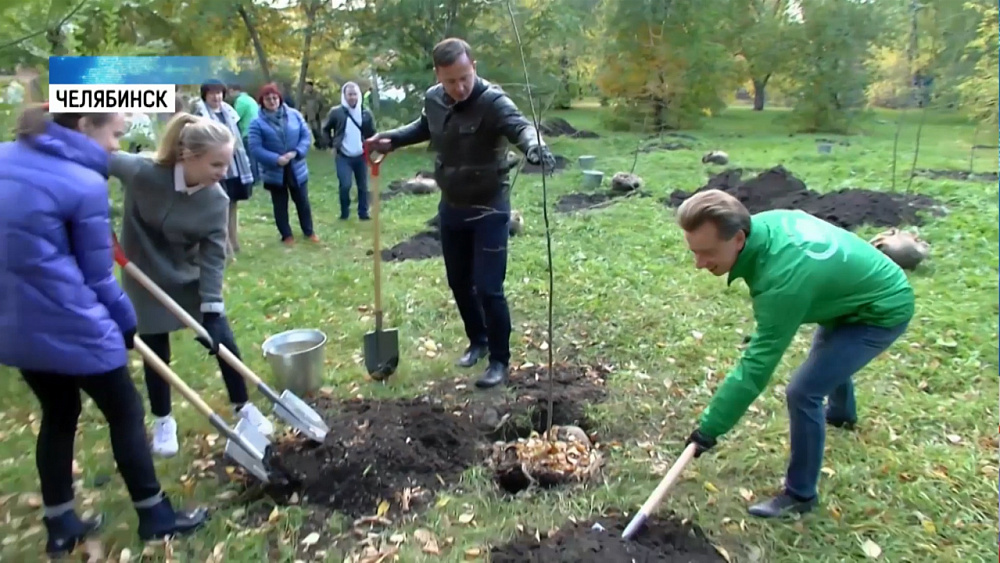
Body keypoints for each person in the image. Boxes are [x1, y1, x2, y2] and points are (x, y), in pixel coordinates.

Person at [0, 105, 208, 555]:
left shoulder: (3, 159)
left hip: (15, 324)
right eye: (113, 134)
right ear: (83, 125)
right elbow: (98, 279)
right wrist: (128, 322)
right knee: (126, 412)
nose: (116, 146)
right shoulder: (82, 183)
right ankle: (155, 515)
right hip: (72, 322)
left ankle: (61, 525)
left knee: (58, 415)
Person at [677, 190, 914, 518]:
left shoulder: (783, 281)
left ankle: (801, 495)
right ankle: (843, 414)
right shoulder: (767, 225)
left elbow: (757, 366)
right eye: (694, 251)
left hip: (880, 309)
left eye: (707, 253)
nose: (698, 264)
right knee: (828, 355)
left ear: (739, 238)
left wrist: (709, 429)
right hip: (846, 296)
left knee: (804, 392)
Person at [367, 37, 556, 388]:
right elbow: (425, 127)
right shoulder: (434, 99)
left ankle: (499, 359)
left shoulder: (493, 101)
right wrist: (391, 139)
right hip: (451, 206)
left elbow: (520, 126)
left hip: (489, 207)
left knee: (488, 288)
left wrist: (535, 146)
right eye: (450, 81)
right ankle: (478, 341)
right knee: (458, 282)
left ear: (474, 67)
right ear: (438, 75)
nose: (459, 87)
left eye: (465, 77)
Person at [108, 113, 275, 458]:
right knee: (156, 349)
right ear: (188, 156)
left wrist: (211, 303)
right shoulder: (142, 171)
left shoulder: (216, 200)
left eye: (226, 164)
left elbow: (214, 256)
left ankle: (243, 405)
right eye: (216, 164)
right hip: (144, 273)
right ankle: (163, 419)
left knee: (221, 340)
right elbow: (93, 158)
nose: (224, 172)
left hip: (187, 275)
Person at [190, 80, 256, 258]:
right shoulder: (199, 114)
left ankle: (233, 241)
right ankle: (220, 245)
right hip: (212, 164)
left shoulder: (229, 111)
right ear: (205, 95)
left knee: (232, 203)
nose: (216, 97)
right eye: (212, 93)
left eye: (219, 93)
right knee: (217, 204)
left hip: (233, 164)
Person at [248, 82, 318, 246]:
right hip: (275, 170)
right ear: (262, 102)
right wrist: (275, 159)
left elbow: (305, 136)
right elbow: (255, 148)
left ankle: (309, 232)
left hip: (296, 167)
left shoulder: (294, 115)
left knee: (303, 202)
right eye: (268, 99)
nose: (272, 101)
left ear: (280, 99)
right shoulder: (257, 123)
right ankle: (286, 235)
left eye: (274, 98)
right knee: (280, 205)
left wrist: (296, 152)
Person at [322, 81, 376, 221]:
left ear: (359, 95)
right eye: (349, 94)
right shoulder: (336, 112)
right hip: (343, 156)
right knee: (345, 185)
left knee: (363, 186)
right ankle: (344, 212)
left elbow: (372, 133)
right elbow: (326, 129)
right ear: (344, 96)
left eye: (354, 94)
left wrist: (372, 148)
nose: (352, 97)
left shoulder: (366, 113)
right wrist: (330, 145)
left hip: (361, 155)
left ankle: (363, 213)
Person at [229, 82, 262, 185]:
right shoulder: (250, 99)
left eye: (230, 92)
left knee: (249, 156)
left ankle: (253, 179)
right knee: (255, 156)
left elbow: (234, 117)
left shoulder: (240, 101)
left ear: (233, 90)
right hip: (257, 130)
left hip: (247, 131)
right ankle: (258, 177)